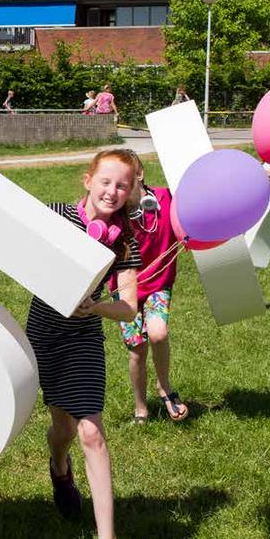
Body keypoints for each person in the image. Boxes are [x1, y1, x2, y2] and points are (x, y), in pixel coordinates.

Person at [25, 147, 141, 539]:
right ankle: (59, 467)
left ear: (130, 193)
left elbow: (129, 305)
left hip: (83, 336)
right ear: (88, 180)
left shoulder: (123, 242)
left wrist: (97, 305)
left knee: (92, 431)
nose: (113, 191)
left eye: (123, 185)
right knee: (63, 428)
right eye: (106, 181)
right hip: (45, 332)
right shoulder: (55, 215)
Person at [112, 166, 188, 423]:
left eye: (126, 179)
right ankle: (141, 407)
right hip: (125, 288)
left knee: (158, 333)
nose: (120, 186)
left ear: (141, 174)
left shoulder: (166, 199)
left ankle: (164, 387)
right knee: (137, 349)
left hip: (157, 284)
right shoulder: (113, 212)